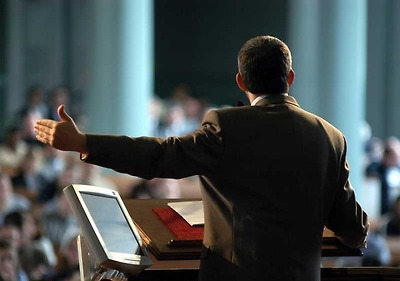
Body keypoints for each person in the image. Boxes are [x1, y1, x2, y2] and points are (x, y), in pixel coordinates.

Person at [34, 35, 369, 281]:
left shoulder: (227, 127)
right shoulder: (331, 137)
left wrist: (84, 142)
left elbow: (159, 157)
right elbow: (353, 229)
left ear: (240, 82)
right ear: (290, 78)